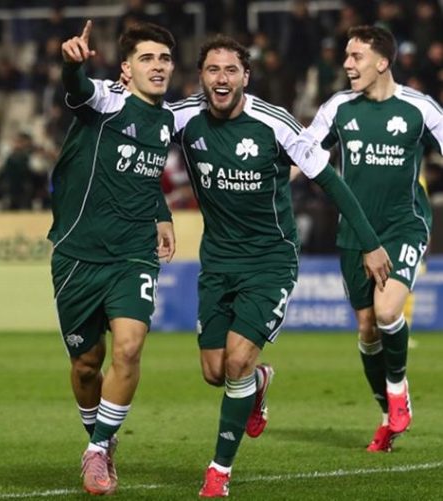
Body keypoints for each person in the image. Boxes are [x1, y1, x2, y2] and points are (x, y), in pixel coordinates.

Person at [167, 35, 391, 497]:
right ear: (200, 76)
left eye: (231, 70)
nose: (222, 78)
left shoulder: (274, 123)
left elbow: (332, 181)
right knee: (215, 371)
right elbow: (137, 146)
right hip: (217, 262)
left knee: (237, 361)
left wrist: (370, 244)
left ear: (246, 77)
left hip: (270, 260)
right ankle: (259, 382)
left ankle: (218, 473)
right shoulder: (183, 117)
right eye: (213, 69)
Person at [48, 21, 176, 495]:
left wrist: (161, 213)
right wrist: (71, 65)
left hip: (133, 255)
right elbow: (78, 90)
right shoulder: (106, 100)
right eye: (147, 58)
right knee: (87, 364)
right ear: (126, 69)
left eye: (164, 59)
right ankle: (99, 438)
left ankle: (97, 449)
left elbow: (144, 176)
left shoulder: (168, 120)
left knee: (128, 349)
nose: (158, 67)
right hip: (77, 255)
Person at [306, 25, 443, 453]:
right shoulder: (338, 108)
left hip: (403, 225)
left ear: (382, 62)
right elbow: (303, 152)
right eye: (347, 56)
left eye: (356, 57)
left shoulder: (420, 109)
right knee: (367, 329)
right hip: (354, 233)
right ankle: (387, 415)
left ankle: (398, 389)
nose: (347, 64)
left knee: (386, 312)